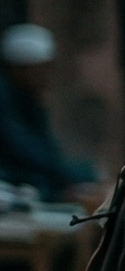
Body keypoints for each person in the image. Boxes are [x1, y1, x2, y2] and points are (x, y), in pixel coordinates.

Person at [0, 24, 102, 208]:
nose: (46, 76)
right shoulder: (4, 99)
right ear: (20, 68)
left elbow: (46, 150)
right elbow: (23, 151)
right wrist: (70, 175)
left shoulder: (28, 100)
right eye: (40, 69)